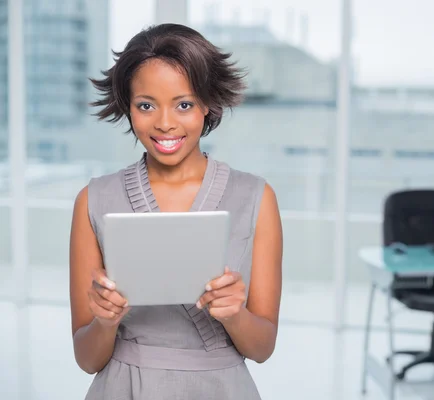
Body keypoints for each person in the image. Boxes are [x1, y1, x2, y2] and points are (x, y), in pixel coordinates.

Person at [69, 23, 283, 400]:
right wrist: (105, 321)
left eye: (183, 104)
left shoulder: (256, 197)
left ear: (207, 104)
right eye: (146, 105)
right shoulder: (93, 199)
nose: (165, 122)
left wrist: (234, 313)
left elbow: (262, 349)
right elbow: (87, 359)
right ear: (127, 107)